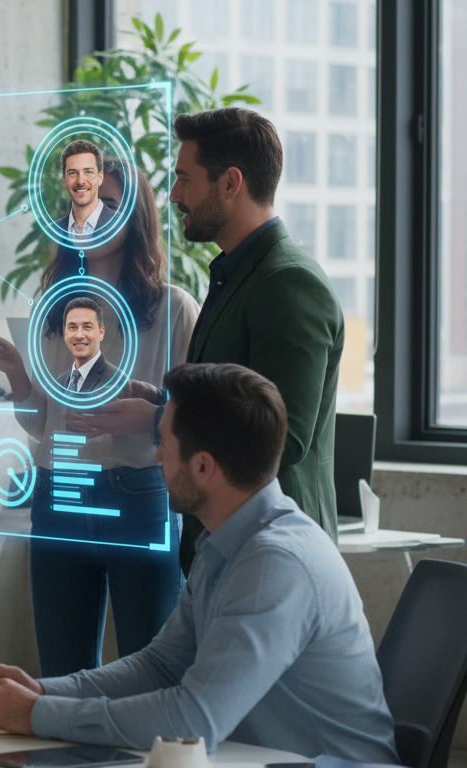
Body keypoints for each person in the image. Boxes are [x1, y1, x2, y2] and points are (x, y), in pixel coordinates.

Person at [0, 363, 397, 763]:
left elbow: (194, 721)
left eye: (164, 443)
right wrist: (43, 691)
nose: (156, 457)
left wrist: (38, 714)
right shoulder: (228, 539)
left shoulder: (274, 563)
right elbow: (160, 665)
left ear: (203, 466)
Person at [66, 108, 344, 574]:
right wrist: (161, 400)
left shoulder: (288, 283)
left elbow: (283, 437)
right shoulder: (236, 275)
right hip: (229, 546)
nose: (173, 194)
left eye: (184, 179)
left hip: (272, 555)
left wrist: (158, 420)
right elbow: (232, 399)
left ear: (230, 183)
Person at [0, 161, 197, 675]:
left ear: (137, 217)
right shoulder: (51, 311)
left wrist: (148, 421)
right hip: (58, 494)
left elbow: (194, 420)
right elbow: (42, 423)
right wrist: (17, 374)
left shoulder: (175, 310)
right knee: (61, 675)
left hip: (141, 497)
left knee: (152, 674)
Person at [56, 139, 112, 239]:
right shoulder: (54, 231)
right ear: (64, 181)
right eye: (73, 173)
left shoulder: (123, 227)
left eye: (88, 172)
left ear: (100, 178)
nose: (81, 181)